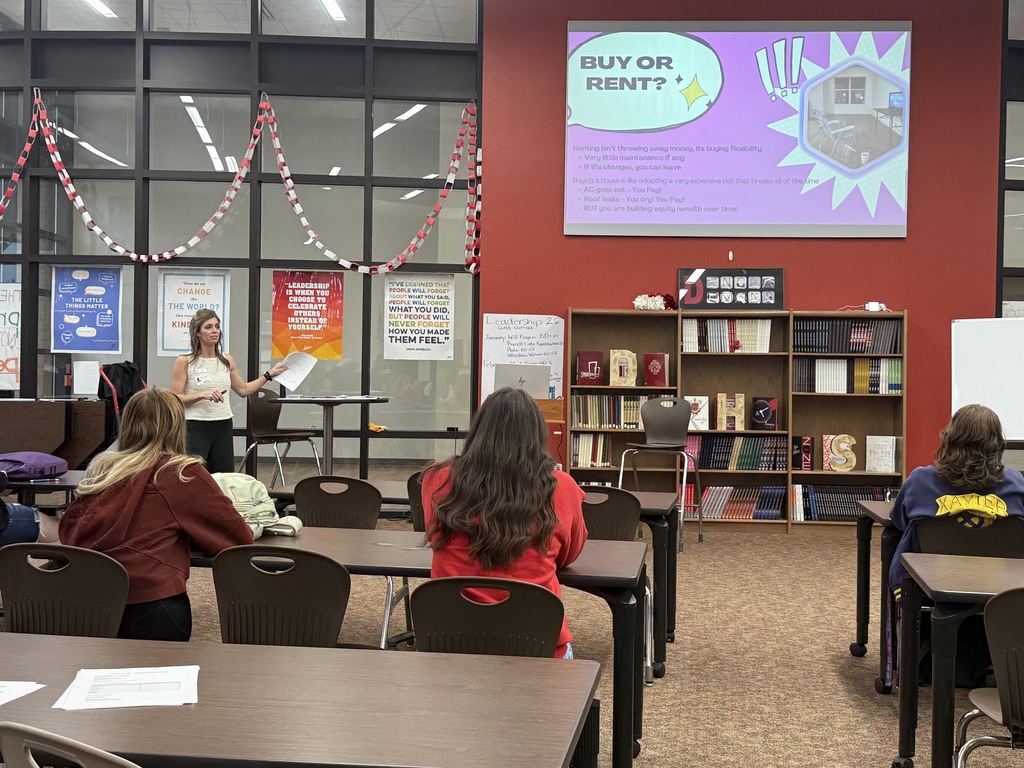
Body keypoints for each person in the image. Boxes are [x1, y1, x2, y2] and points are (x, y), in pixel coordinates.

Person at [59, 386, 253, 641]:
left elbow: (68, 531)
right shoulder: (180, 473)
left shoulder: (100, 470)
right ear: (177, 427)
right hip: (148, 605)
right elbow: (239, 537)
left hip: (81, 603)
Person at [420, 386, 588, 659]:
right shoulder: (562, 487)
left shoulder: (437, 478)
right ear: (537, 436)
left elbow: (433, 532)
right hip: (536, 647)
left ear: (479, 431)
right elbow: (570, 553)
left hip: (448, 643)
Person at [889, 403, 1024, 686]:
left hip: (929, 591)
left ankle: (907, 658)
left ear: (948, 440)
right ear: (998, 444)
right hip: (1001, 594)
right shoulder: (1016, 484)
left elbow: (898, 521)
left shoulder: (920, 481)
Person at [171, 308, 287, 473]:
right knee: (194, 474)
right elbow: (174, 397)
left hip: (223, 424)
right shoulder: (185, 361)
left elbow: (243, 389)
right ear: (197, 332)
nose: (214, 331)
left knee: (224, 475)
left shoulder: (226, 360)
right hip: (195, 425)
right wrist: (201, 395)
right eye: (208, 327)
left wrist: (269, 375)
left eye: (217, 326)